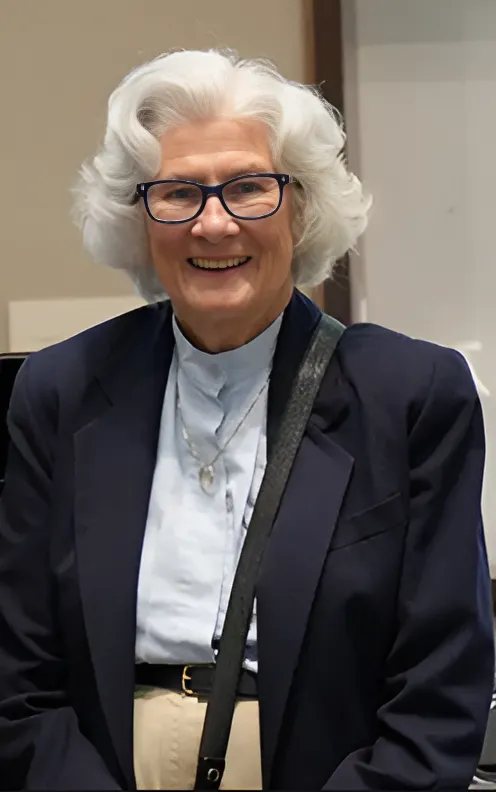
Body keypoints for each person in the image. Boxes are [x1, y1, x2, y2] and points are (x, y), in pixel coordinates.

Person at [0, 48, 493, 791]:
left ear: (302, 204)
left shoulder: (410, 394)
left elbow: (441, 686)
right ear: (139, 217)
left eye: (249, 188)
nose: (214, 224)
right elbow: (18, 675)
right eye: (177, 194)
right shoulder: (60, 390)